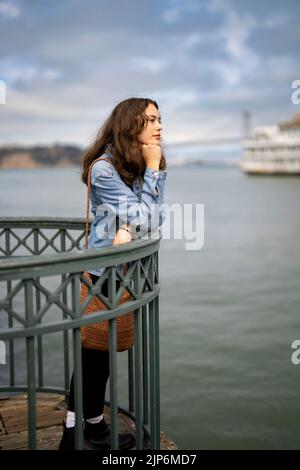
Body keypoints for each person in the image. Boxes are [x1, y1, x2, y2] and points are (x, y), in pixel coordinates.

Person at [59, 97, 167, 450]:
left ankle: (92, 427)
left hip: (121, 272)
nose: (159, 125)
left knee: (99, 355)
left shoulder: (132, 164)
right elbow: (148, 217)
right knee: (91, 353)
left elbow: (151, 218)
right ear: (130, 124)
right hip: (101, 273)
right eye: (150, 119)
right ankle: (73, 433)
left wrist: (130, 226)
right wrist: (153, 171)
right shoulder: (104, 169)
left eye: (159, 118)